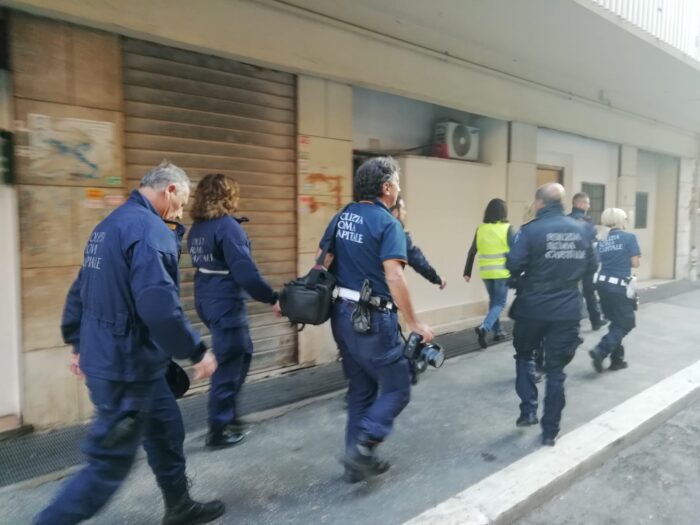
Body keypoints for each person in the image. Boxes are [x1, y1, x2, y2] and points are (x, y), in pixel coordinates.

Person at [36, 162, 224, 525]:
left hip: (135, 362)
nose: (181, 212)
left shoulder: (107, 227)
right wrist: (196, 351)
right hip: (124, 367)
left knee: (167, 429)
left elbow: (80, 291)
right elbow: (159, 306)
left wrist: (78, 343)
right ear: (169, 190)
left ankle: (179, 505)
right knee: (107, 466)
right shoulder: (149, 230)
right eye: (182, 202)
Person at [319, 157, 434, 482]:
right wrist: (414, 324)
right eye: (397, 183)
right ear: (386, 188)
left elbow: (323, 260)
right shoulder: (388, 223)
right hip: (372, 320)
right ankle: (363, 448)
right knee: (398, 388)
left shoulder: (343, 216)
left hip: (341, 317)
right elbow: (395, 276)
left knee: (361, 388)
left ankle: (354, 467)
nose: (398, 189)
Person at [188, 173, 280, 448]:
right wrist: (273, 298)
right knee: (228, 364)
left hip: (206, 298)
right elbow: (246, 273)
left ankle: (229, 414)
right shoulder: (227, 227)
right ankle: (218, 429)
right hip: (225, 302)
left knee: (242, 352)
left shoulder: (199, 228)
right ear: (227, 196)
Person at [506, 183, 597, 446]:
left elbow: (513, 264)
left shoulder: (530, 231)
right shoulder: (582, 229)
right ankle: (550, 431)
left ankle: (528, 410)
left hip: (533, 307)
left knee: (524, 355)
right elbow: (591, 265)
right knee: (556, 370)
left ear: (540, 202)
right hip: (567, 308)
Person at [589, 208, 641, 372]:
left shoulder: (601, 240)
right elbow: (635, 263)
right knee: (626, 323)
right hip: (619, 286)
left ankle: (617, 360)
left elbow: (596, 261)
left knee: (616, 321)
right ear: (621, 221)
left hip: (602, 285)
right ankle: (601, 350)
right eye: (625, 219)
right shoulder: (629, 238)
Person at [464, 198, 514, 348]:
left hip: (486, 273)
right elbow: (515, 251)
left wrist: (467, 272)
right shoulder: (507, 228)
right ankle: (484, 327)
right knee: (500, 303)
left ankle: (498, 331)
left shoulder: (481, 229)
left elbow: (472, 251)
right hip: (502, 273)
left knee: (494, 302)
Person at [390, 194, 446, 289]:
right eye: (403, 209)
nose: (405, 212)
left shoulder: (375, 227)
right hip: (385, 290)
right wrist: (436, 278)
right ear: (395, 213)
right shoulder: (399, 235)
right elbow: (418, 261)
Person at [568, 192, 606, 330]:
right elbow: (591, 243)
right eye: (587, 203)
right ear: (580, 204)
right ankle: (595, 321)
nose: (589, 206)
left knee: (573, 294)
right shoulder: (586, 221)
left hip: (571, 264)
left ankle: (573, 325)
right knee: (589, 293)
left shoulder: (565, 220)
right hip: (586, 264)